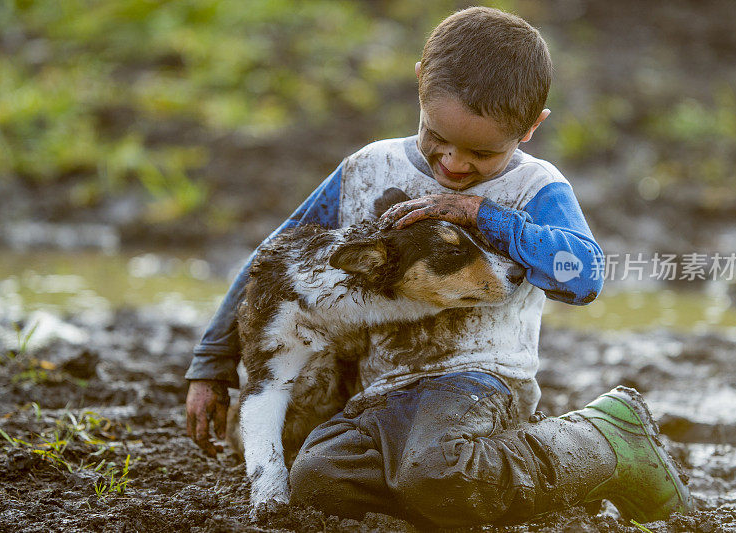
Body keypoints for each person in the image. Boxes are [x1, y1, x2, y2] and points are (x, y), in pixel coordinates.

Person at [185, 7, 694, 527]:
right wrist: (213, 360)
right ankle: (465, 481)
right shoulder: (369, 168)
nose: (453, 163)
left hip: (480, 381)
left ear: (531, 128)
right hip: (383, 388)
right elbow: (273, 261)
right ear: (419, 85)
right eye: (438, 136)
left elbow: (583, 276)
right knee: (319, 481)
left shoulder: (535, 189)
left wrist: (484, 216)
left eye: (481, 151)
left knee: (435, 470)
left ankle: (603, 439)